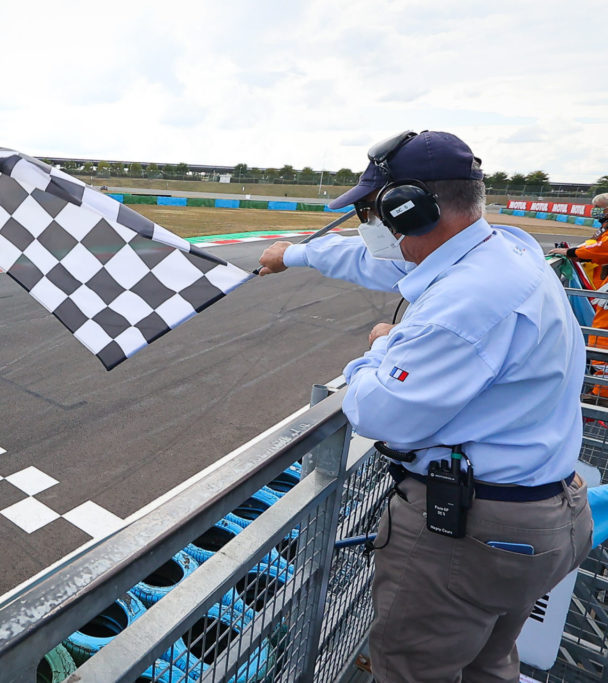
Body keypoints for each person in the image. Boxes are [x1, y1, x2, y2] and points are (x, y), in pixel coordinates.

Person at [258, 130, 592, 682]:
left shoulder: (466, 302)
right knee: (490, 663)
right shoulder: (504, 249)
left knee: (410, 671)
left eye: (373, 211)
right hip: (539, 518)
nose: (373, 227)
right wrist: (295, 254)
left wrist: (382, 345)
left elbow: (377, 411)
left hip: (472, 536)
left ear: (409, 210)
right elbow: (386, 266)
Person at [550, 194, 608, 400]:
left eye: (599, 208)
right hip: (602, 291)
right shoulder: (603, 229)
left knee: (601, 336)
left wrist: (571, 252)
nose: (596, 212)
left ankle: (603, 393)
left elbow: (600, 249)